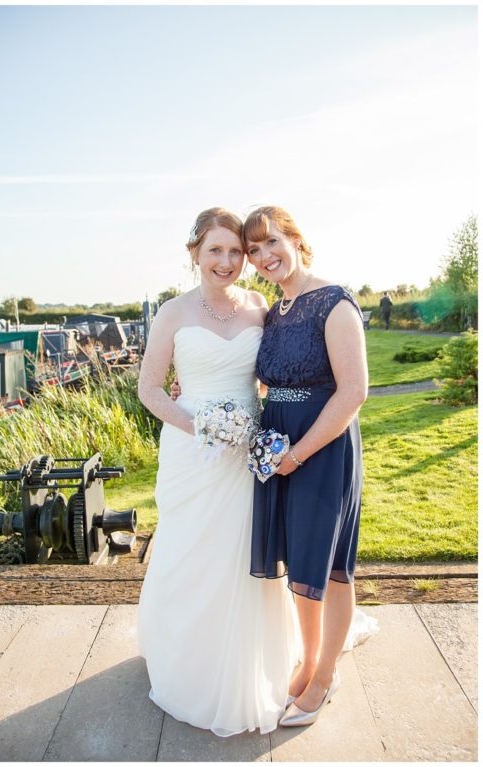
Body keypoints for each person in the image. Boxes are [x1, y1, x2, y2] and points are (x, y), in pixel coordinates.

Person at [136, 208, 297, 736]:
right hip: (192, 452)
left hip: (247, 450)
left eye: (236, 251)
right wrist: (201, 426)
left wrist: (261, 419)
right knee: (192, 552)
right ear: (195, 254)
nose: (227, 261)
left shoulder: (260, 307)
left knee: (245, 553)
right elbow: (149, 390)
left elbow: (272, 375)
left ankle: (249, 663)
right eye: (215, 250)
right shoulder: (173, 313)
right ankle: (190, 664)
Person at [244, 206, 373, 726]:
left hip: (322, 449)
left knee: (330, 565)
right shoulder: (274, 312)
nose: (264, 256)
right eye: (254, 250)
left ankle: (325, 676)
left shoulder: (333, 303)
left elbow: (354, 392)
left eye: (272, 242)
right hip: (280, 446)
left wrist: (298, 454)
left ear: (296, 239)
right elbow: (267, 380)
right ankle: (310, 661)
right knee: (300, 562)